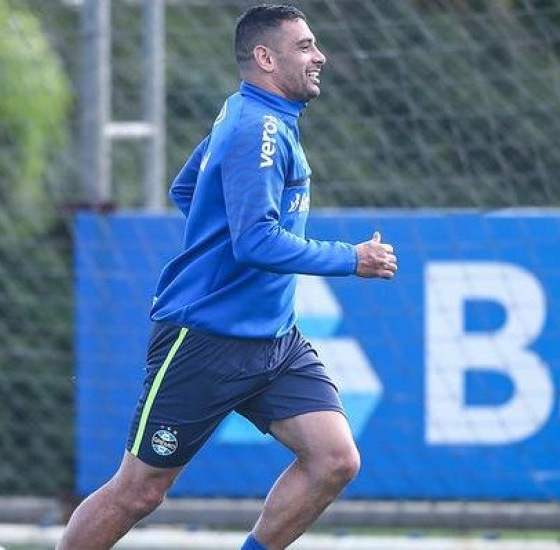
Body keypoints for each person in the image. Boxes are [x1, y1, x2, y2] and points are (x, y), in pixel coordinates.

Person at [57, 4, 397, 550]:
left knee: (333, 459)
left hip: (273, 339)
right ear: (265, 58)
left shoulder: (251, 114)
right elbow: (256, 240)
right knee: (139, 492)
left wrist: (223, 239)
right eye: (305, 46)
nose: (320, 56)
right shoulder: (256, 128)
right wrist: (350, 259)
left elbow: (186, 190)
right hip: (206, 338)